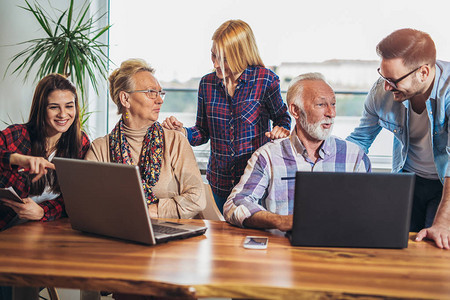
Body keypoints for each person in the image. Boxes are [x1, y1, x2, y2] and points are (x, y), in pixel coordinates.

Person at [162, 19, 291, 212]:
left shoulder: (266, 80)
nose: (215, 64)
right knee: (219, 239)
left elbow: (283, 118)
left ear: (240, 55)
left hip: (254, 182)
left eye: (223, 59)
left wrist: (281, 130)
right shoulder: (206, 84)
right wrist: (183, 132)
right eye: (213, 56)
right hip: (218, 183)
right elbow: (203, 132)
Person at [223, 73, 371, 231]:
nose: (331, 113)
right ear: (295, 110)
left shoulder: (356, 157)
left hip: (338, 252)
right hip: (284, 251)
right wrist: (279, 221)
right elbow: (234, 204)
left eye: (333, 104)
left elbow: (371, 212)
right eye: (321, 105)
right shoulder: (267, 156)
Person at [346, 28, 450, 249]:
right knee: (399, 244)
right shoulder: (382, 91)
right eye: (382, 76)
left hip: (445, 186)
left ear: (423, 72)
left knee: (435, 245)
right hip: (408, 179)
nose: (385, 86)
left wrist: (443, 222)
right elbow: (360, 139)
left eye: (393, 79)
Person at [85, 59, 205, 219]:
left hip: (171, 234)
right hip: (119, 235)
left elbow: (197, 198)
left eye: (160, 93)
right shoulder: (100, 149)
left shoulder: (175, 141)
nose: (160, 100)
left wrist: (152, 211)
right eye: (151, 92)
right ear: (125, 99)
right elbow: (89, 201)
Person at [0, 73, 90, 231]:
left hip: (45, 229)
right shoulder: (17, 135)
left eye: (69, 106)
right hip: (6, 228)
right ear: (41, 109)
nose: (63, 114)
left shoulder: (80, 143)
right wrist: (17, 159)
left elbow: (76, 199)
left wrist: (42, 212)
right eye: (54, 107)